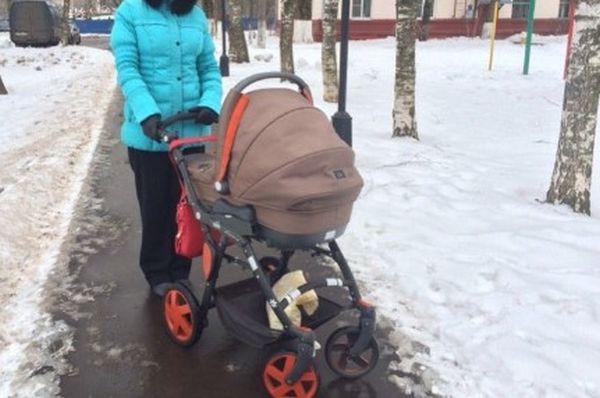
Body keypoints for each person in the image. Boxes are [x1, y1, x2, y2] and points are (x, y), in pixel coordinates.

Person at [110, 0, 222, 297]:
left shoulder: (195, 15)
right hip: (152, 134)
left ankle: (180, 267)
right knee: (158, 206)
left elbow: (208, 67)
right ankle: (157, 270)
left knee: (190, 207)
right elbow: (128, 68)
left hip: (192, 132)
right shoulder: (130, 12)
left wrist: (210, 101)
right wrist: (147, 112)